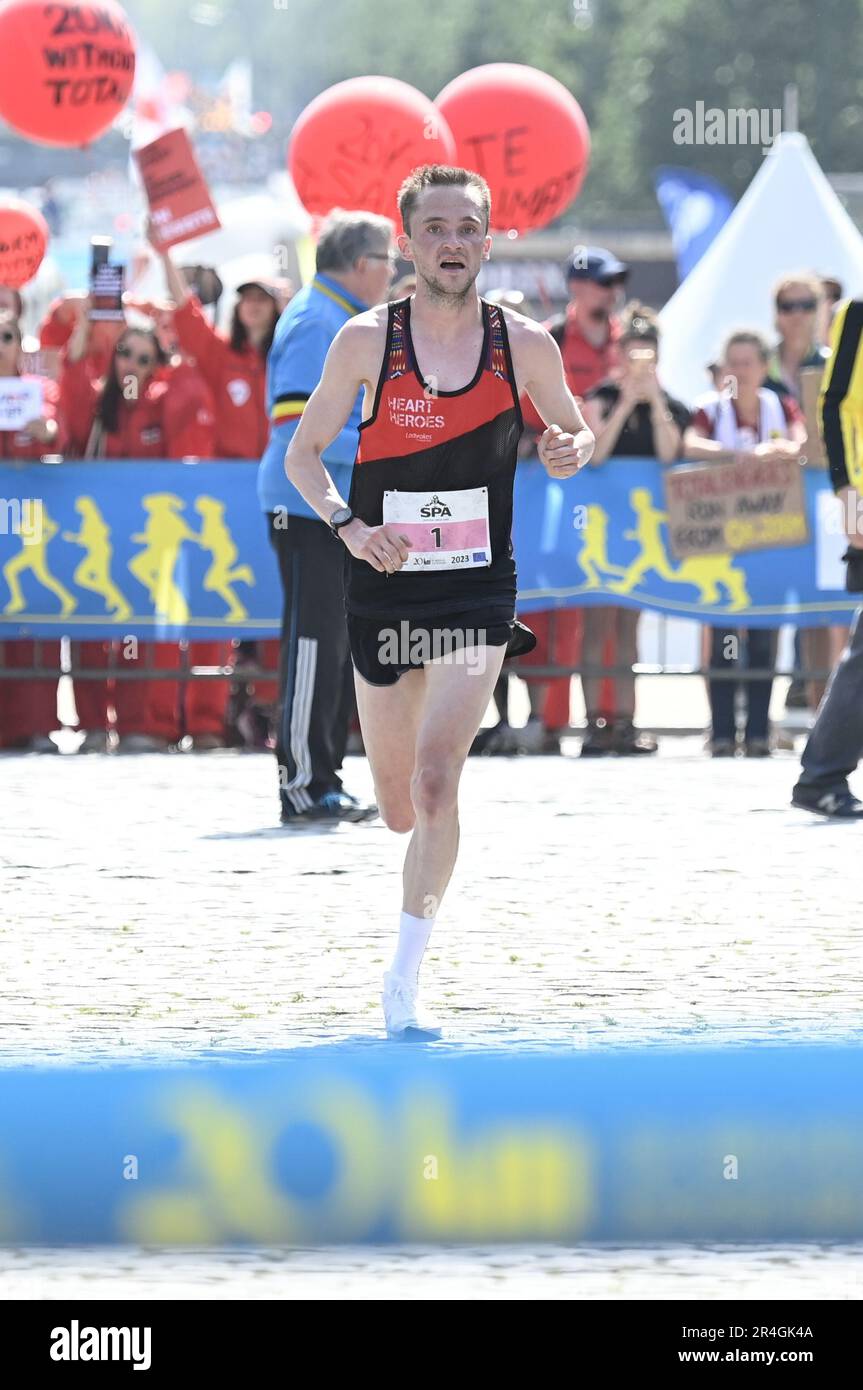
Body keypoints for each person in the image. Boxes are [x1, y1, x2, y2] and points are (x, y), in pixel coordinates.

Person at [284, 164, 594, 1038]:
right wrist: (349, 527)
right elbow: (302, 459)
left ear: (487, 242)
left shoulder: (524, 342)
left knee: (433, 781)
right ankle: (408, 880)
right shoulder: (361, 341)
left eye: (467, 229)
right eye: (435, 229)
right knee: (392, 805)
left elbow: (573, 430)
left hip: (475, 588)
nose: (451, 243)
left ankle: (404, 978)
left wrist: (567, 449)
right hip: (383, 582)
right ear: (407, 241)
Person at [258, 209, 395, 824]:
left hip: (326, 504)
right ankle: (305, 784)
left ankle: (322, 778)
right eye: (390, 260)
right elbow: (295, 428)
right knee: (314, 642)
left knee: (330, 640)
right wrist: (384, 443)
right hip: (308, 504)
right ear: (364, 265)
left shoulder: (336, 317)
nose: (395, 272)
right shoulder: (319, 321)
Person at [60, 319, 221, 752]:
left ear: (157, 366)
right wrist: (85, 328)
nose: (132, 364)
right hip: (98, 538)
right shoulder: (97, 404)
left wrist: (177, 353)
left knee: (148, 635)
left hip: (149, 543)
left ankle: (145, 724)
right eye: (125, 353)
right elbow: (68, 417)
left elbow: (190, 421)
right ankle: (94, 723)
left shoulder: (163, 400)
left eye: (145, 358)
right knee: (92, 628)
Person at [517, 245, 628, 753]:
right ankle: (547, 722)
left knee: (608, 606)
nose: (613, 290)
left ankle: (605, 721)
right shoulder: (548, 340)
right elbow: (515, 417)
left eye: (615, 281)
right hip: (550, 498)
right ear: (579, 288)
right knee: (551, 608)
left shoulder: (631, 344)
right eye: (604, 281)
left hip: (614, 504)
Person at [683, 330, 806, 757]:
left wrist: (780, 451)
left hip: (767, 534)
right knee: (722, 632)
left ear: (763, 366)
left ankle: (756, 732)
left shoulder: (778, 403)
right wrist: (733, 456)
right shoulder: (709, 408)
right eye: (733, 362)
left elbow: (799, 438)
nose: (740, 371)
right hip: (721, 538)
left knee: (762, 630)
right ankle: (720, 732)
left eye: (748, 362)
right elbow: (691, 443)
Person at [581, 303, 689, 754]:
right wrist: (627, 401)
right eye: (632, 351)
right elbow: (597, 453)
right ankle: (592, 723)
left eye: (647, 353)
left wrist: (654, 400)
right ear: (619, 353)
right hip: (601, 526)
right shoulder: (601, 396)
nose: (639, 360)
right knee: (595, 625)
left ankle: (625, 720)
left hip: (642, 530)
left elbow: (669, 453)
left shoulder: (673, 405)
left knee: (628, 627)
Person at [792, 298, 863, 818]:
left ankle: (822, 774)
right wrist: (849, 495)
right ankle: (821, 776)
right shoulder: (857, 310)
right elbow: (835, 404)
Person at [0, 308, 67, 752]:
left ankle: (36, 725)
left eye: (5, 336)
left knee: (31, 618)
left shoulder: (38, 389)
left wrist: (47, 431)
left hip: (25, 524)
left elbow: (59, 431)